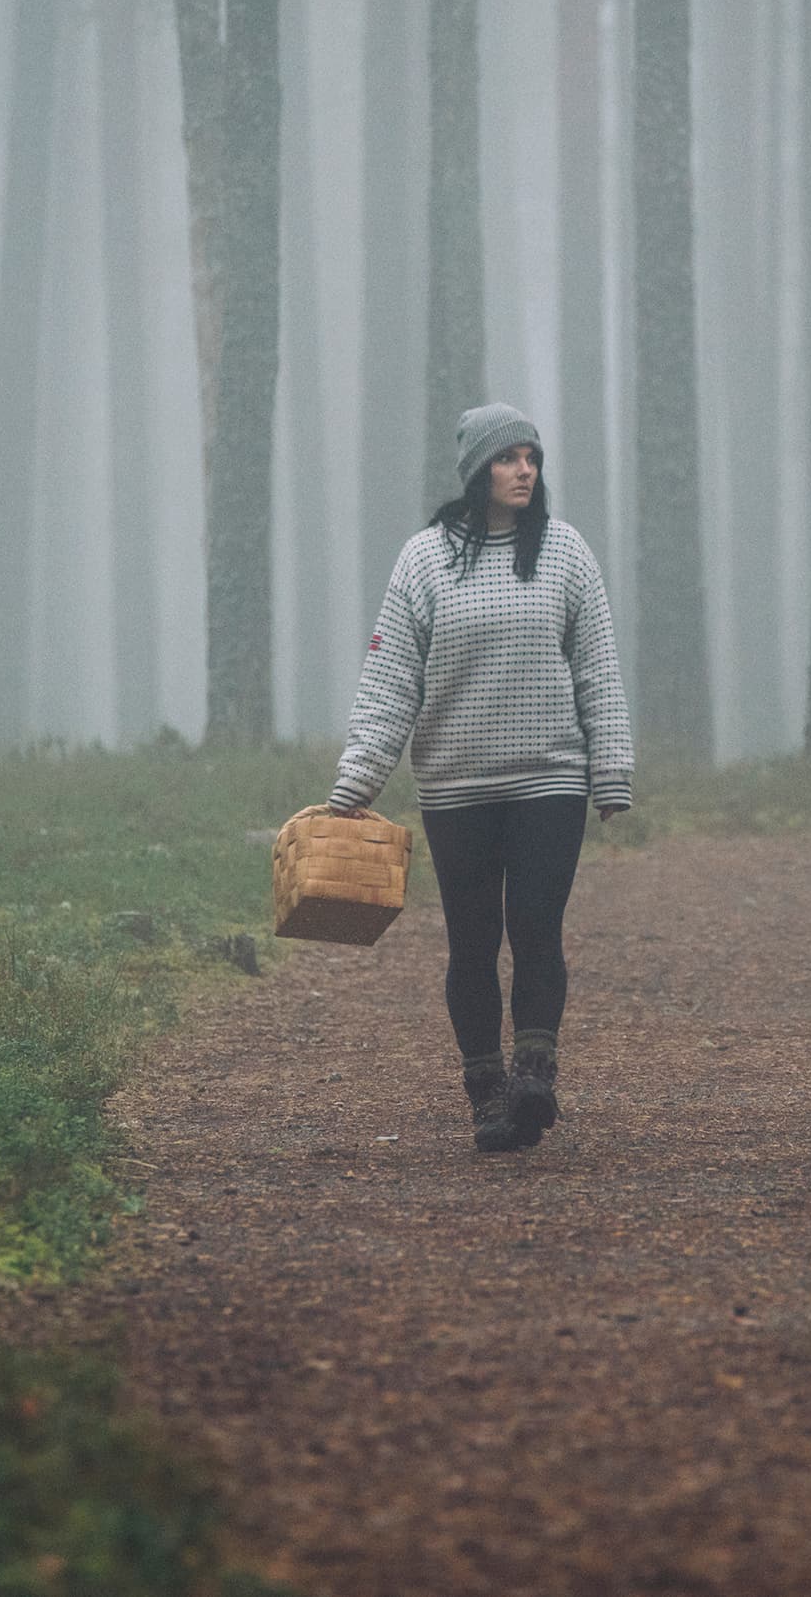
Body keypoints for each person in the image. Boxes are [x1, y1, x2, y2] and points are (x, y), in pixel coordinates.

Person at [329, 403, 634, 1154]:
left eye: (531, 456)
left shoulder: (565, 553)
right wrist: (356, 782)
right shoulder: (424, 560)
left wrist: (612, 769)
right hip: (456, 786)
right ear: (477, 472)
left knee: (536, 926)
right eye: (508, 458)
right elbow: (391, 677)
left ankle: (535, 1074)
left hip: (549, 780)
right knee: (472, 941)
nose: (524, 470)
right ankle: (486, 1089)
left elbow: (596, 664)